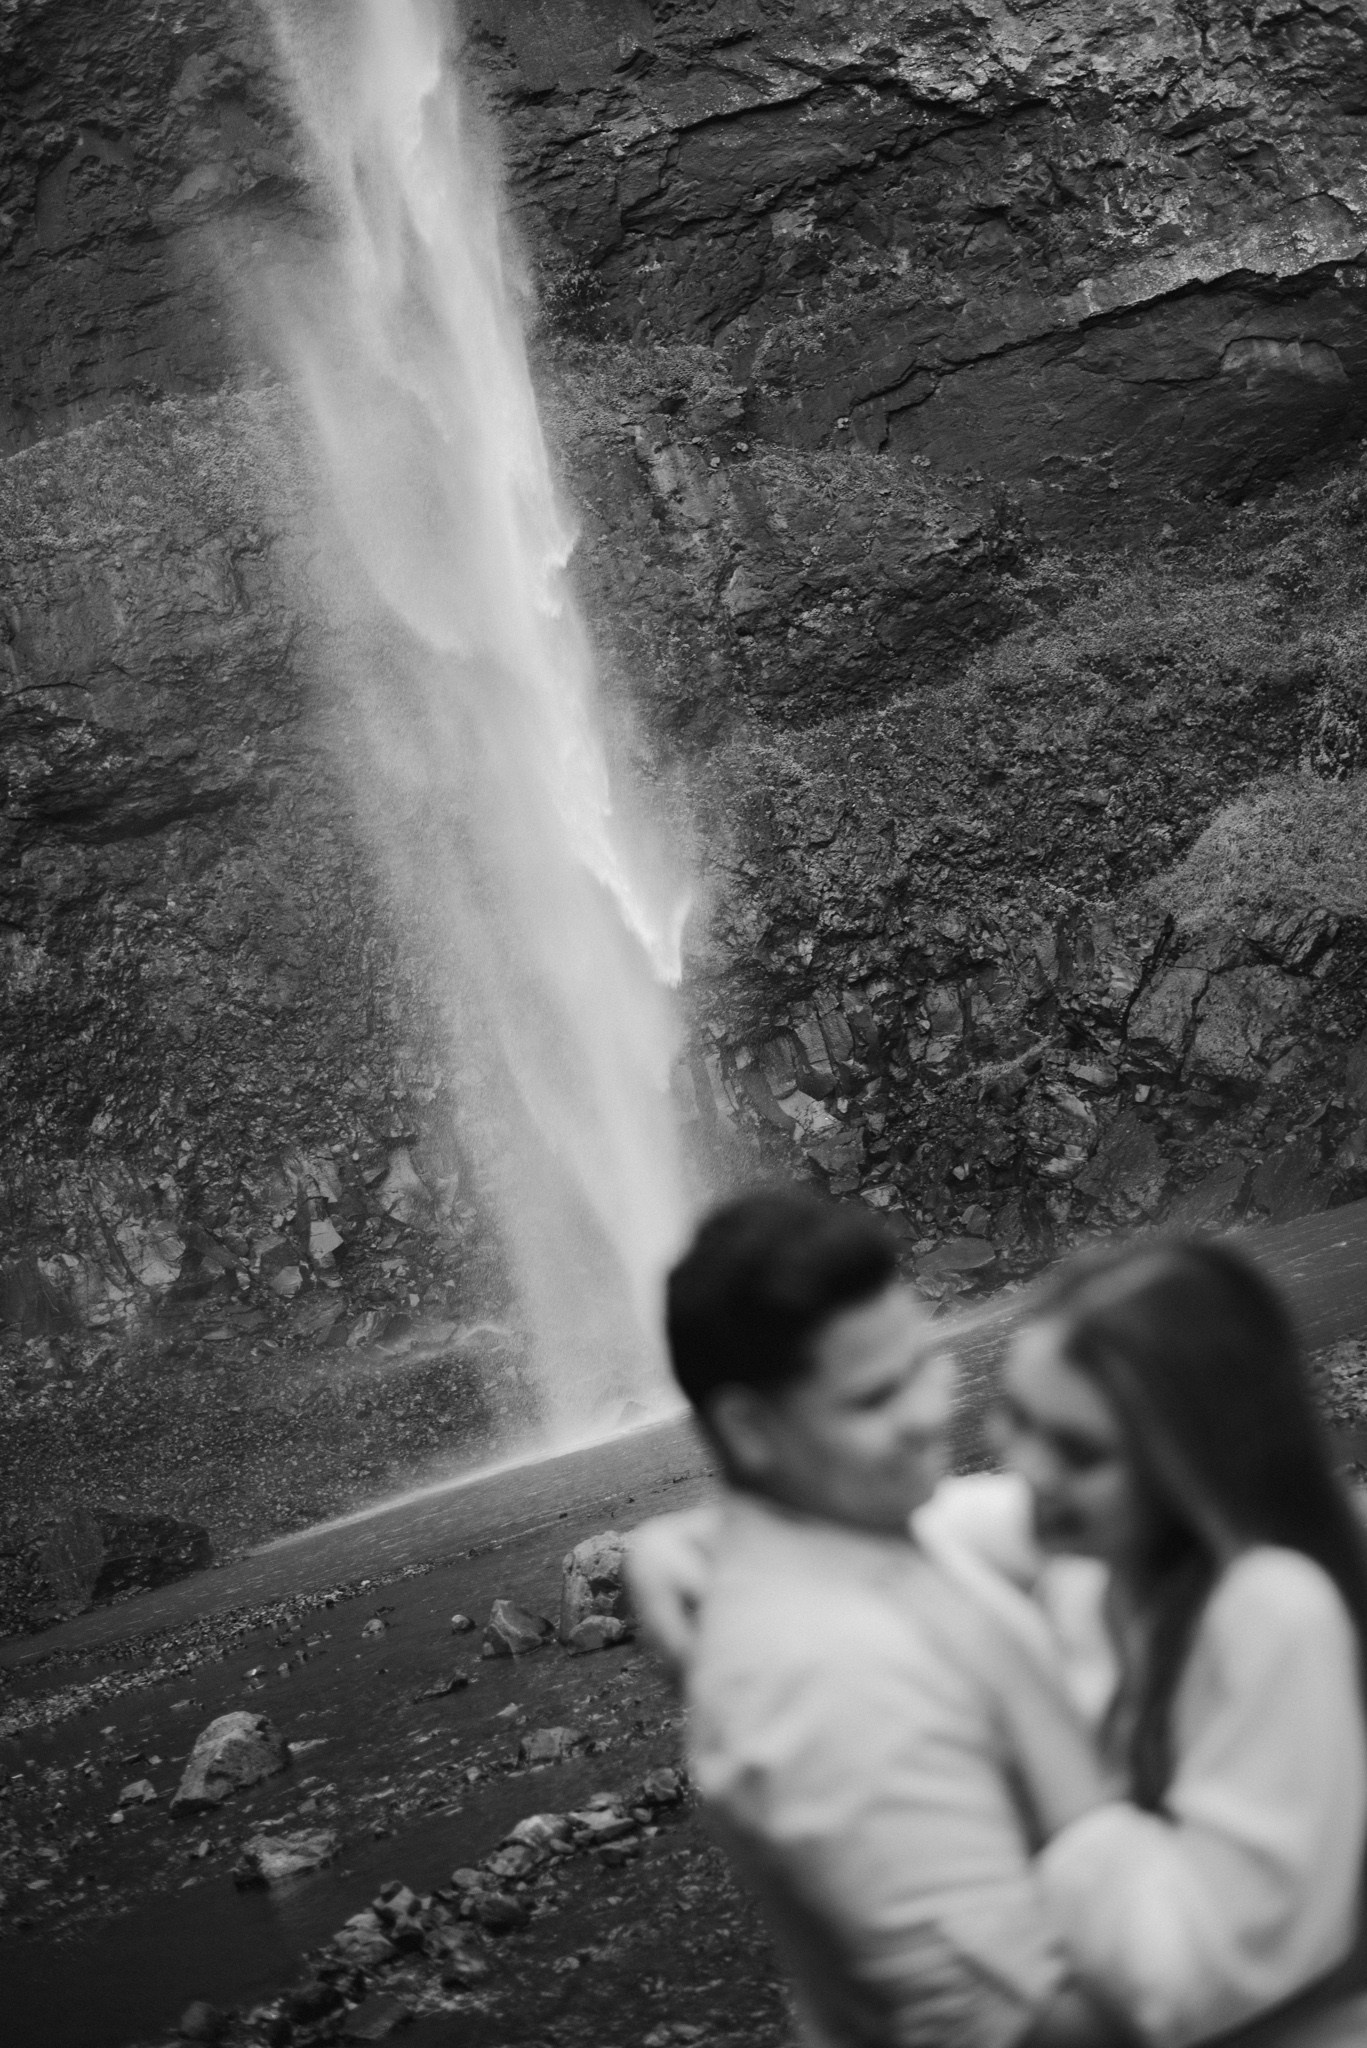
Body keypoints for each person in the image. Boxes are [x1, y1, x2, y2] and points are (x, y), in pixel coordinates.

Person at [633, 1220, 1367, 2048]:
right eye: (1017, 1417)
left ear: (1180, 1467)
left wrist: (1022, 1700)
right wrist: (689, 1537)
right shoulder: (1056, 1562)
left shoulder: (1259, 1609)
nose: (1027, 1470)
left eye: (1080, 1451)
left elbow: (1182, 1987)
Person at [634, 1186, 1135, 2048]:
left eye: (922, 1362)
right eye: (873, 1399)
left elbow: (1125, 1510)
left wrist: (679, 1537)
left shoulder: (876, 1524)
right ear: (749, 1429)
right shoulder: (823, 1685)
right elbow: (1012, 2025)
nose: (929, 1412)